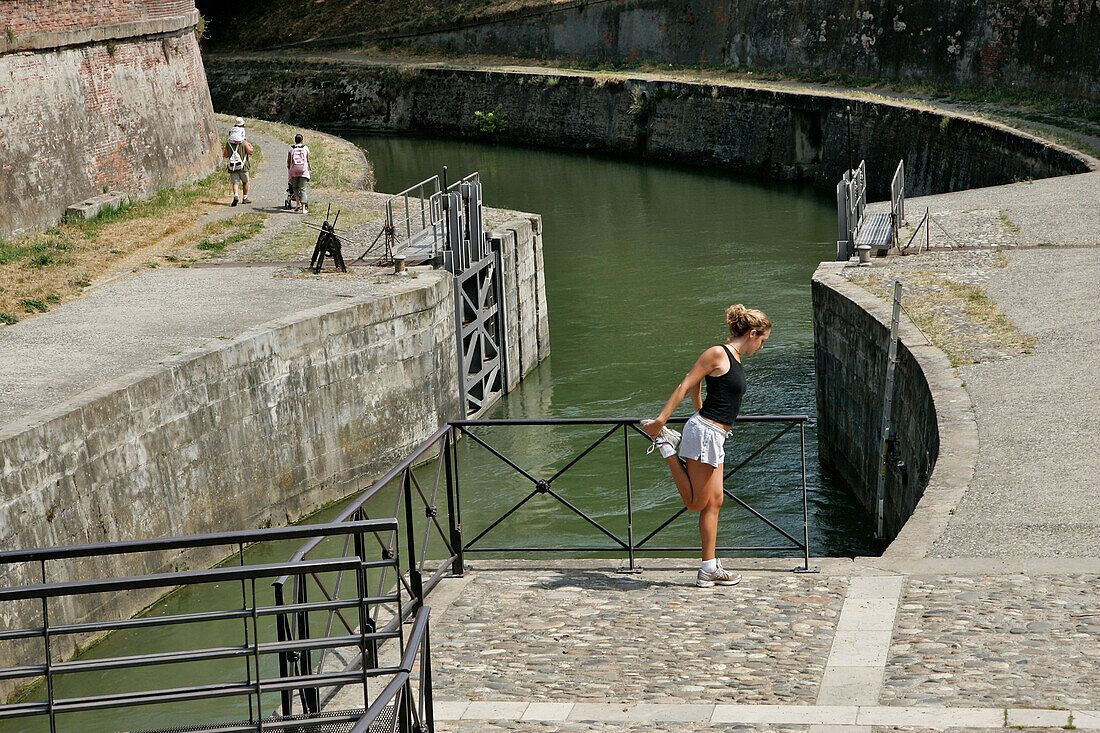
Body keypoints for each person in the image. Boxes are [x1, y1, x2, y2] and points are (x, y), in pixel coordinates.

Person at [642, 304, 771, 588]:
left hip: (716, 435)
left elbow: (697, 388)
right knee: (696, 502)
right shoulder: (718, 353)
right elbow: (686, 383)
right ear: (752, 334)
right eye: (762, 341)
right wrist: (661, 421)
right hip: (704, 433)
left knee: (715, 501)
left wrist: (699, 408)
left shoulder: (735, 358)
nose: (761, 347)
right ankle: (667, 445)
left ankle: (709, 568)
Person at [223, 117, 253, 206]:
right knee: (245, 182)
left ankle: (236, 195)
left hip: (233, 165)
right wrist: (247, 143)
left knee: (235, 182)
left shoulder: (229, 143)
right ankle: (245, 198)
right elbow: (250, 152)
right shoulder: (243, 142)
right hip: (243, 165)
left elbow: (225, 155)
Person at [287, 133, 311, 214]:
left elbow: (289, 161)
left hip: (294, 171)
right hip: (303, 171)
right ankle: (303, 208)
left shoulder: (291, 148)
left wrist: (289, 169)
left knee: (295, 187)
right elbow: (307, 159)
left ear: (295, 140)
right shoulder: (305, 148)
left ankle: (297, 204)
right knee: (303, 189)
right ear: (302, 140)